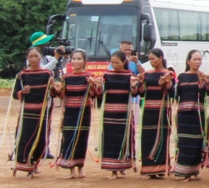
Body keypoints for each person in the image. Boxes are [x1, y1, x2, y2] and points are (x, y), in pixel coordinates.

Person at [52, 49, 100, 179]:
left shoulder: (89, 76)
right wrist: (58, 90)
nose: (76, 61)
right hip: (69, 112)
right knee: (68, 138)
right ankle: (71, 169)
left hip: (83, 112)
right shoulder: (66, 77)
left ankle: (80, 168)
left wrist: (92, 85)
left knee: (81, 139)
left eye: (79, 59)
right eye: (74, 59)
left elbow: (93, 95)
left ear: (84, 61)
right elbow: (62, 96)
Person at [11, 46, 54, 178]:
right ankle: (24, 163)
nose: (34, 59)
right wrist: (22, 92)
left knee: (40, 138)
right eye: (31, 56)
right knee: (24, 137)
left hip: (42, 112)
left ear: (40, 56)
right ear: (27, 58)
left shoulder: (47, 74)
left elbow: (53, 94)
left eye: (36, 56)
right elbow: (14, 94)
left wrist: (53, 86)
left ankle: (34, 163)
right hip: (27, 112)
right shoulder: (22, 75)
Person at [135, 48, 175, 178]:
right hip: (148, 111)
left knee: (162, 137)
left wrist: (166, 83)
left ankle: (161, 168)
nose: (151, 61)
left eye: (154, 58)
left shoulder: (169, 73)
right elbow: (141, 93)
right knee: (148, 138)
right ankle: (149, 169)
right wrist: (140, 82)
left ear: (161, 58)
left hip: (162, 110)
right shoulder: (147, 74)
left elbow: (172, 92)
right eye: (150, 59)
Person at [96, 51, 135, 179]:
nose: (114, 65)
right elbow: (100, 93)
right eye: (112, 62)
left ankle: (122, 165)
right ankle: (113, 170)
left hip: (124, 112)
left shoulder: (130, 75)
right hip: (109, 113)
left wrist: (135, 84)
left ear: (124, 62)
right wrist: (97, 85)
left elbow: (135, 92)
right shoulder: (107, 75)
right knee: (111, 139)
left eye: (117, 62)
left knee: (123, 139)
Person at [172, 50, 209, 182]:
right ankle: (184, 172)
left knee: (197, 141)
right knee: (184, 142)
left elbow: (208, 93)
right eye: (195, 59)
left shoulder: (203, 76)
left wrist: (205, 81)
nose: (198, 62)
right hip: (183, 113)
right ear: (188, 61)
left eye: (200, 59)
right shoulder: (182, 76)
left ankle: (194, 170)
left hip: (198, 114)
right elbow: (176, 94)